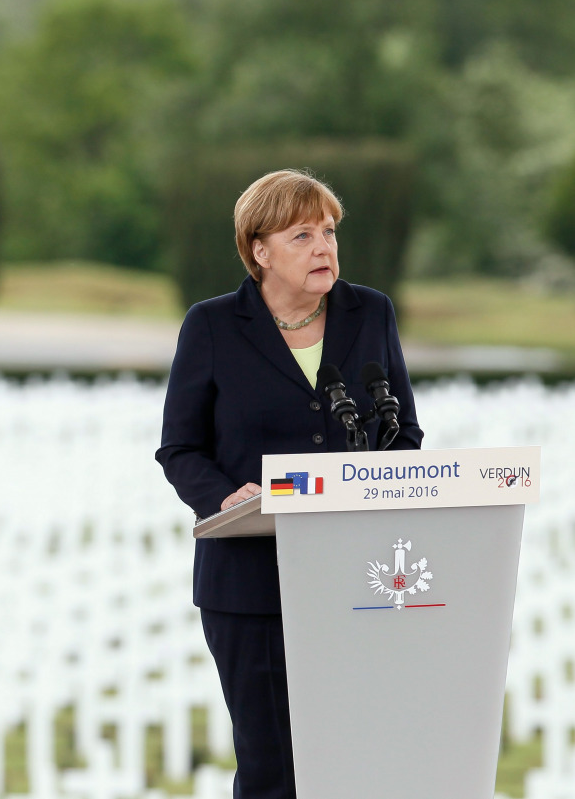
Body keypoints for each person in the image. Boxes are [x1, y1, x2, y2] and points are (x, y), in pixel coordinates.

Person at [155, 170, 423, 798]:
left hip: (354, 577)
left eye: (329, 232)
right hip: (250, 583)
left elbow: (403, 430)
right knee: (274, 766)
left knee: (353, 763)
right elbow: (180, 447)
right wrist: (225, 497)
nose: (324, 247)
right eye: (302, 235)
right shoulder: (214, 326)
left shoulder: (371, 312)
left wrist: (378, 487)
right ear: (260, 250)